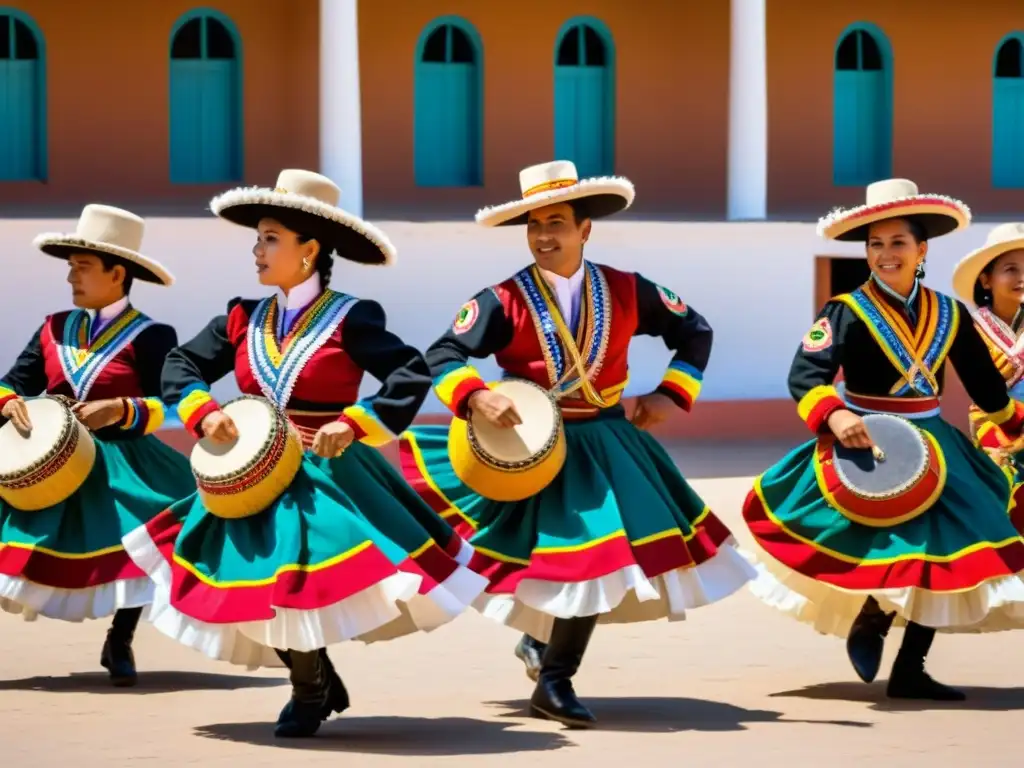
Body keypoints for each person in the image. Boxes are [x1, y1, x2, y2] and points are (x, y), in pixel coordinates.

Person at [121, 169, 487, 739]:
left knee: (298, 579)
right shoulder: (242, 317)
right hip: (248, 466)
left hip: (323, 467)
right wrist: (203, 411)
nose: (257, 249)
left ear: (309, 250)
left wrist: (357, 422)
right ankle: (314, 677)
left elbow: (408, 373)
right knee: (252, 580)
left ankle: (308, 689)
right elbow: (181, 363)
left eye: (270, 238)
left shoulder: (353, 316)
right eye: (258, 237)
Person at [398, 160, 756, 727]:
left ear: (584, 229)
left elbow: (696, 331)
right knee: (540, 559)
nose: (544, 235)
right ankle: (541, 649)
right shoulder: (500, 299)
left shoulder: (629, 289)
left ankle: (554, 677)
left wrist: (671, 394)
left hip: (606, 442)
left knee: (596, 557)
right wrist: (474, 398)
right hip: (528, 448)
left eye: (557, 222)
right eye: (534, 224)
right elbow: (442, 354)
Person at [743, 179, 1024, 702]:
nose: (886, 254)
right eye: (876, 244)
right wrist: (834, 416)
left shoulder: (951, 313)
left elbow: (986, 387)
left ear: (922, 250)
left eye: (898, 243)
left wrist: (1014, 427)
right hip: (868, 444)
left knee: (948, 554)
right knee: (890, 549)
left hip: (938, 447)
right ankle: (871, 617)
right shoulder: (844, 310)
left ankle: (910, 665)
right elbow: (805, 375)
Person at [0, 204, 193, 686]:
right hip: (51, 455)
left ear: (117, 273)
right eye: (70, 266)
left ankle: (120, 638)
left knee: (145, 537)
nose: (71, 277)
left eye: (83, 267)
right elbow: (12, 382)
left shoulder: (152, 336)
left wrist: (122, 409)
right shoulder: (52, 327)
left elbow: (171, 403)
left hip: (122, 458)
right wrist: (9, 404)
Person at [951, 223, 1024, 471]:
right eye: (1011, 269)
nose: (1021, 277)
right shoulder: (966, 330)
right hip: (991, 441)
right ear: (986, 280)